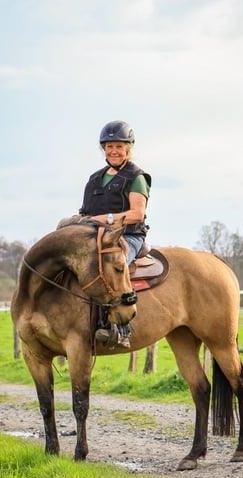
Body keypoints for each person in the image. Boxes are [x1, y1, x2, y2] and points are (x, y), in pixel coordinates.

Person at [79, 120, 152, 348]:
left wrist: (106, 219)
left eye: (119, 146)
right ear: (104, 148)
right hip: (96, 236)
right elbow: (85, 213)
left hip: (127, 236)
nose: (114, 150)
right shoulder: (93, 179)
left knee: (111, 267)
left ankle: (121, 330)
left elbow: (137, 214)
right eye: (109, 146)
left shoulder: (136, 176)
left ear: (128, 148)